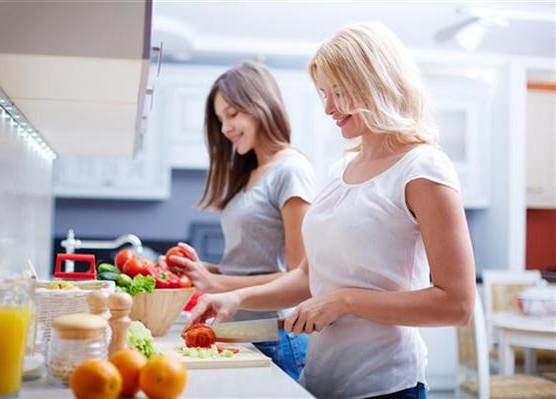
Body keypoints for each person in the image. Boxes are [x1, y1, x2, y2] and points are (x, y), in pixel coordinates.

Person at [185, 23, 476, 399]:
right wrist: (236, 298)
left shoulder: (422, 168)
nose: (327, 108)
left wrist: (345, 300)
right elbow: (308, 276)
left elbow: (458, 304)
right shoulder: (341, 171)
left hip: (385, 386)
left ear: (375, 83)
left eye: (337, 92)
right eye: (324, 93)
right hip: (322, 382)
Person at [166, 61, 316, 380]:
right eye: (221, 119)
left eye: (232, 114)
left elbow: (300, 276)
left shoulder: (291, 171)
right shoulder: (251, 173)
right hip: (241, 330)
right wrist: (202, 269)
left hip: (273, 334)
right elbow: (249, 264)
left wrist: (219, 284)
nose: (225, 129)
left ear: (260, 104)